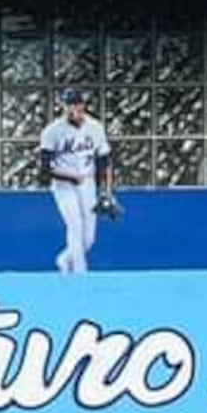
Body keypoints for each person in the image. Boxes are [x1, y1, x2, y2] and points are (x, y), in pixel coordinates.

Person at [37, 86, 119, 274]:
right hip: (63, 185)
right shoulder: (52, 131)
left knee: (89, 238)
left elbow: (104, 160)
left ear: (84, 105)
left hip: (87, 184)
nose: (74, 108)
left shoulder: (95, 127)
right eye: (70, 104)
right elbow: (44, 169)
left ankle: (64, 259)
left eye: (77, 104)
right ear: (64, 107)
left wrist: (106, 191)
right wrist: (68, 176)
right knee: (74, 226)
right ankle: (81, 273)